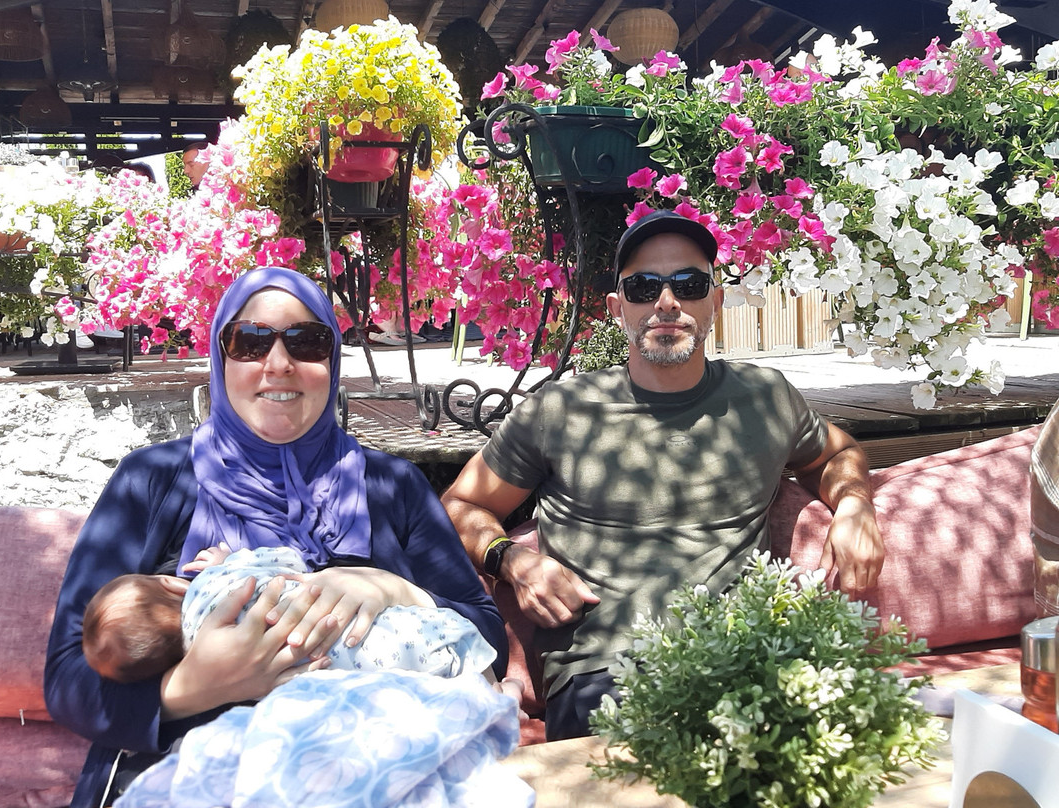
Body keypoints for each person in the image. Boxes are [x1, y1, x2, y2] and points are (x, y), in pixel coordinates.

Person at [45, 266, 507, 808]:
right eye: (251, 341)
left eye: (307, 342)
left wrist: (393, 589)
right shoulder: (151, 480)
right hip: (177, 778)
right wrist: (195, 686)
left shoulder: (392, 485)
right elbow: (68, 677)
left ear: (332, 362)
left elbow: (488, 642)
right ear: (221, 358)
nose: (279, 363)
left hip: (372, 777)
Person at [440, 210, 885, 741]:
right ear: (617, 308)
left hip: (747, 657)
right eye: (644, 287)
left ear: (715, 302)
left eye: (689, 285)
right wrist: (510, 560)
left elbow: (836, 454)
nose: (667, 302)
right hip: (606, 671)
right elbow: (460, 505)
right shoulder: (560, 410)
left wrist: (855, 505)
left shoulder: (766, 398)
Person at [83, 545, 498, 684]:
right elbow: (287, 561)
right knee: (457, 646)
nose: (277, 371)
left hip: (368, 693)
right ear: (172, 583)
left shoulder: (200, 652)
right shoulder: (218, 578)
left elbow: (486, 618)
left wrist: (389, 585)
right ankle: (498, 697)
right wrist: (191, 694)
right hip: (410, 639)